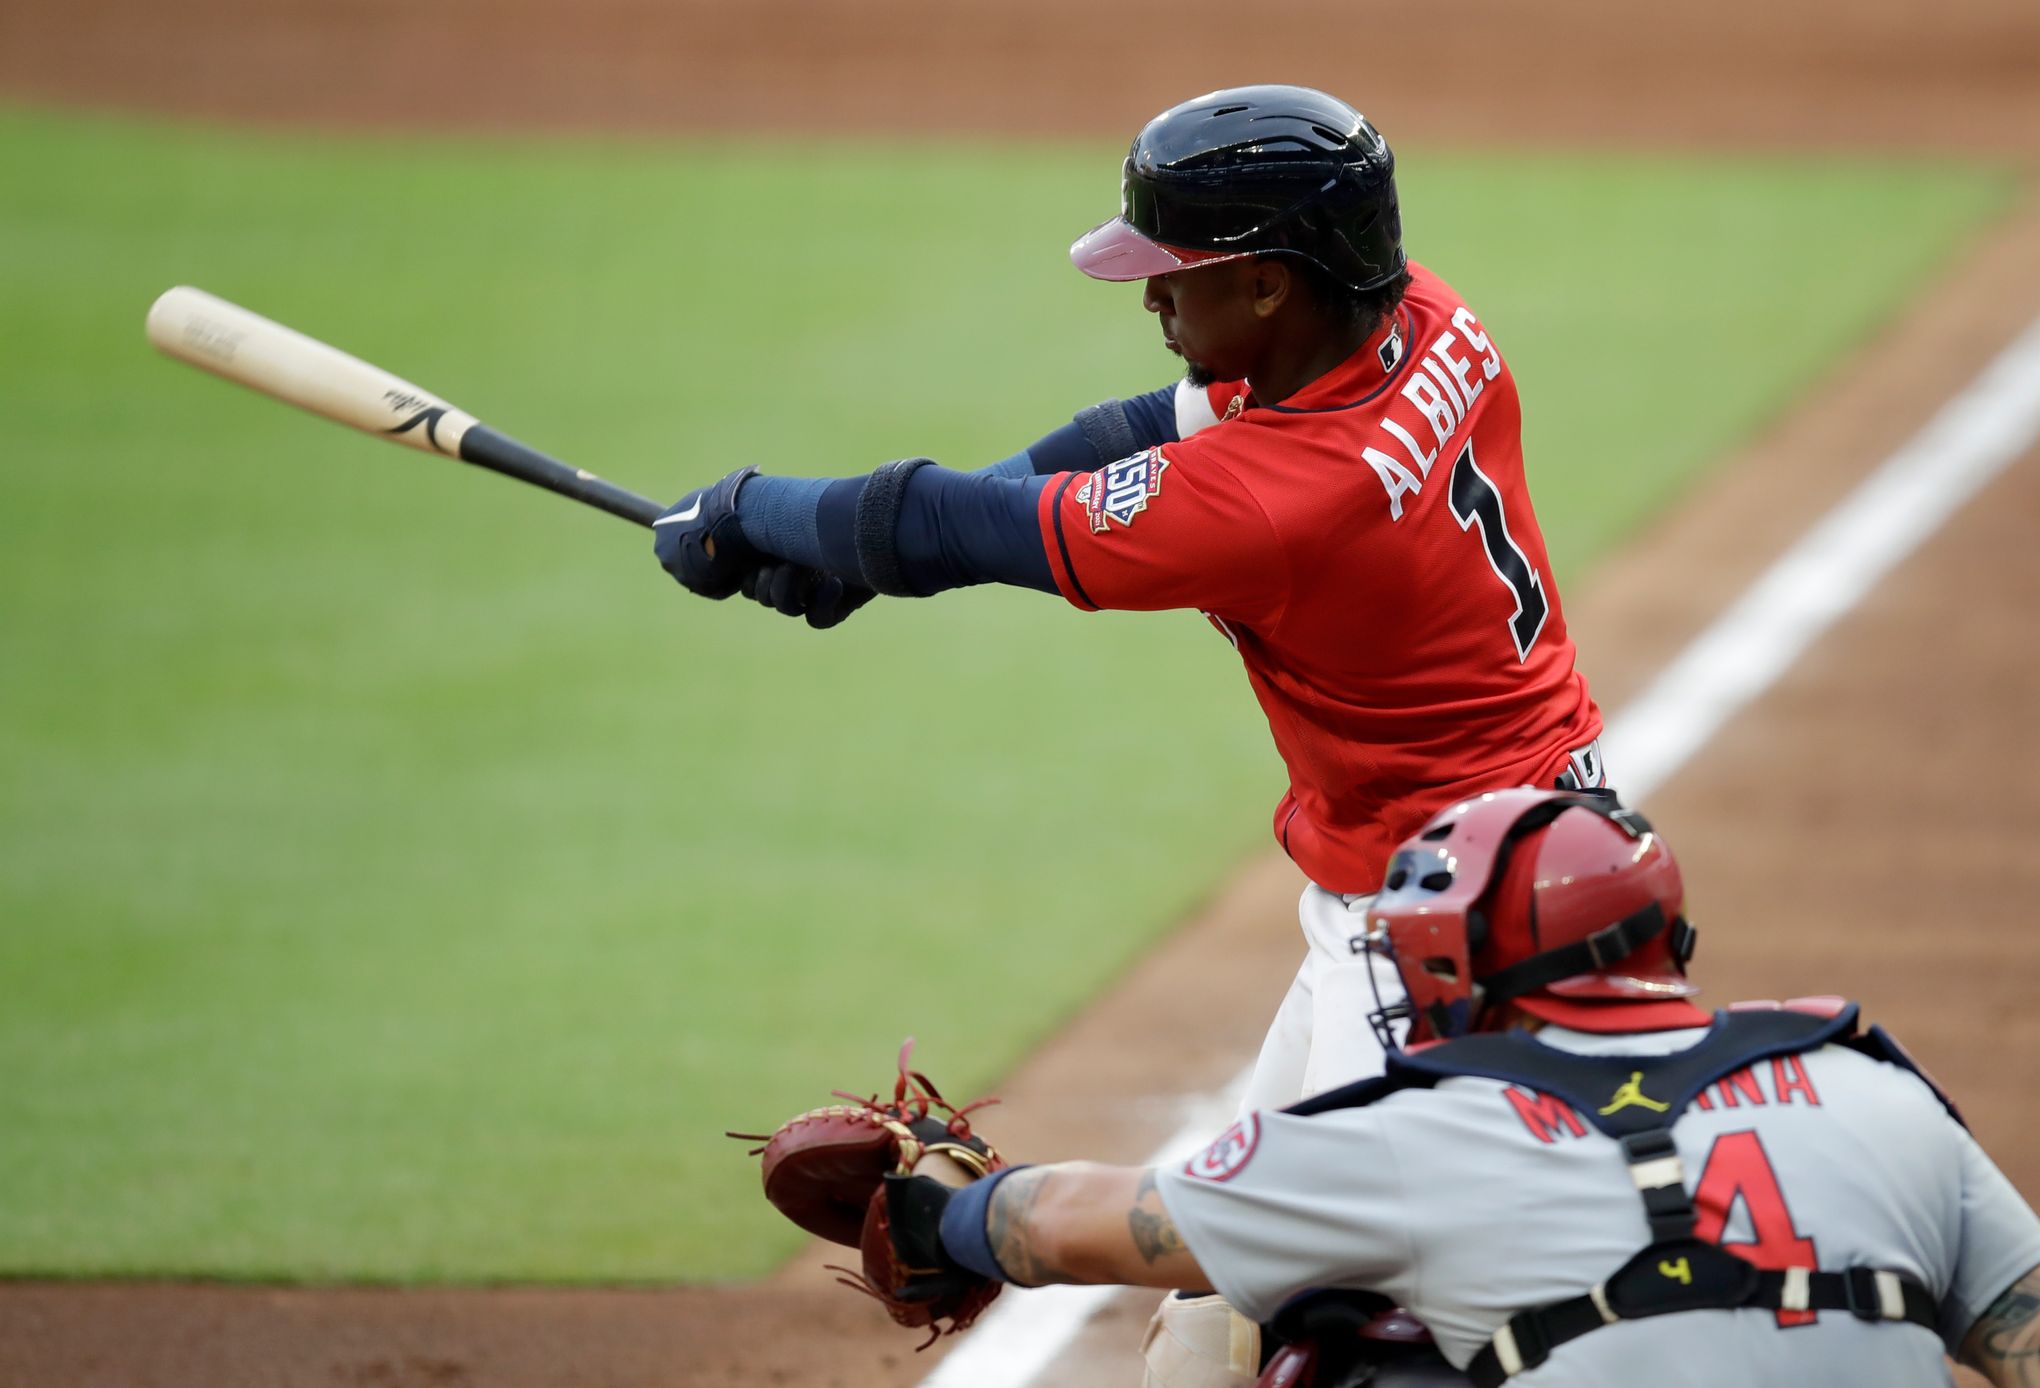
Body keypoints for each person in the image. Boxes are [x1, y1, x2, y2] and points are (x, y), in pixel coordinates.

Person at [658, 85, 1607, 1380]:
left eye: (1177, 276)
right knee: (1212, 1338)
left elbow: (953, 522)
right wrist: (859, 562)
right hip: (1523, 855)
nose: (1152, 301)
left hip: (1446, 942)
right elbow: (1118, 447)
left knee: (1354, 1334)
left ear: (1272, 284)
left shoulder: (1282, 500)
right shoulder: (1416, 314)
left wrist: (750, 508)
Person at [813, 788, 2040, 1387]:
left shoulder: (1425, 1137)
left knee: (1333, 1351)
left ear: (1473, 972)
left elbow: (1074, 1221)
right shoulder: (1873, 1089)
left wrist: (948, 1212)